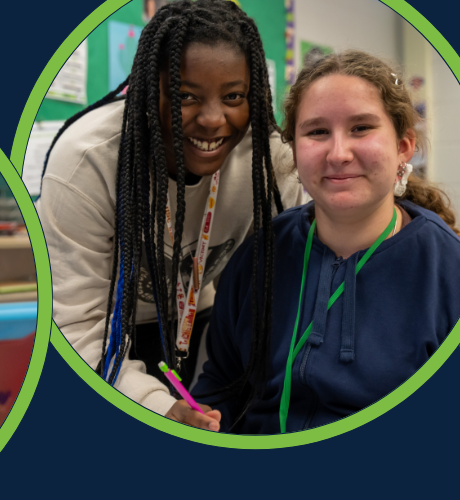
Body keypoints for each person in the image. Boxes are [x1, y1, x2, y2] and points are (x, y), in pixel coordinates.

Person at [180, 51, 460, 434]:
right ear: (294, 149)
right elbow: (222, 384)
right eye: (317, 132)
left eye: (361, 128)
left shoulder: (453, 273)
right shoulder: (259, 256)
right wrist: (202, 418)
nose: (338, 154)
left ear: (404, 146)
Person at [41, 0, 303, 430]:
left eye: (234, 97)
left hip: (202, 326)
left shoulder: (268, 161)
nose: (213, 120)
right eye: (184, 96)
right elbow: (77, 324)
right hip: (104, 336)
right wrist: (155, 403)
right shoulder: (88, 160)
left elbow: (291, 282)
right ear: (148, 90)